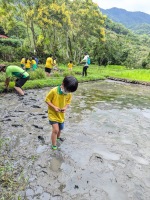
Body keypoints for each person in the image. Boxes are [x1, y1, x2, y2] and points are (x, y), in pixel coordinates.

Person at [45, 76, 78, 150]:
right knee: (55, 130)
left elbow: (68, 102)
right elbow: (47, 100)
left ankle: (58, 138)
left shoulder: (69, 94)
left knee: (60, 129)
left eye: (69, 91)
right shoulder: (54, 91)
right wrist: (54, 107)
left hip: (61, 114)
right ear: (63, 84)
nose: (67, 92)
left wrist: (65, 108)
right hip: (53, 113)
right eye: (67, 90)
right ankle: (54, 145)